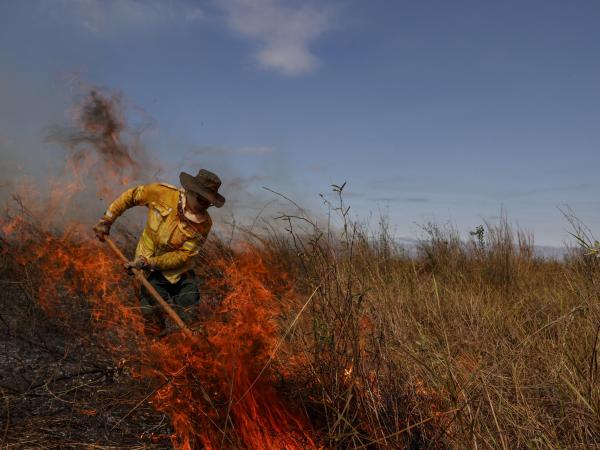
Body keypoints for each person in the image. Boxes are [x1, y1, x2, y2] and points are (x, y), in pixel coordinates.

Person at [93, 169, 225, 334]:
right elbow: (131, 196)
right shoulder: (161, 193)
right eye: (201, 199)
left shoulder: (204, 224)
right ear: (190, 191)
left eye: (208, 202)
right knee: (152, 316)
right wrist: (107, 220)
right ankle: (157, 345)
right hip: (147, 265)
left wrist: (151, 263)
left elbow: (183, 256)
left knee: (190, 308)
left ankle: (192, 349)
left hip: (179, 270)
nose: (203, 205)